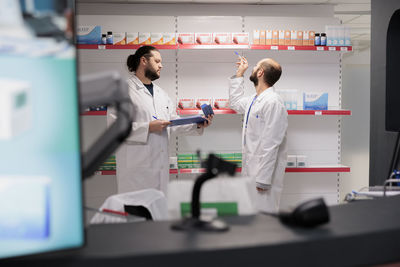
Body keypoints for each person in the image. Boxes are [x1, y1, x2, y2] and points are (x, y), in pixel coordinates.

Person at [108, 45, 212, 197]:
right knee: (137, 214)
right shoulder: (122, 91)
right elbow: (114, 129)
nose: (161, 65)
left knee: (158, 214)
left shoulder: (161, 94)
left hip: (160, 170)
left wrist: (197, 123)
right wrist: (148, 127)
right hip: (135, 173)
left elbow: (172, 123)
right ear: (143, 61)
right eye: (157, 61)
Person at [229, 56, 288, 213]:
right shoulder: (254, 100)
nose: (252, 69)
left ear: (260, 72)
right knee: (251, 217)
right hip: (251, 170)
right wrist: (239, 74)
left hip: (263, 177)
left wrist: (263, 180)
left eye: (255, 66)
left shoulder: (273, 102)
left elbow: (271, 144)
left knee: (265, 219)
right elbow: (235, 103)